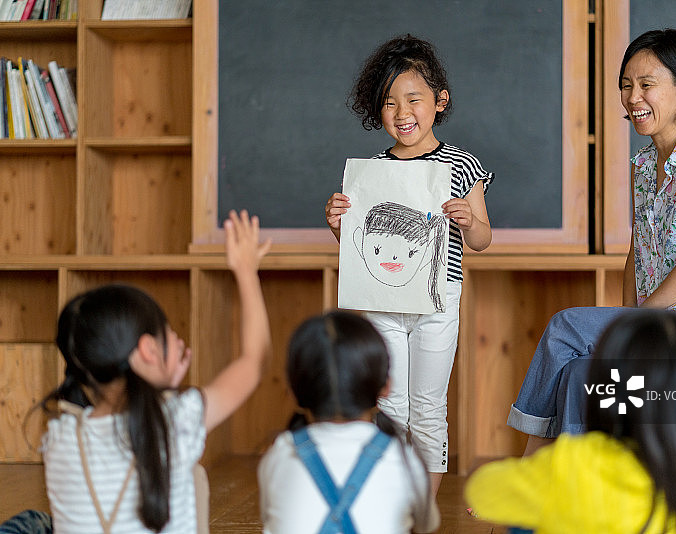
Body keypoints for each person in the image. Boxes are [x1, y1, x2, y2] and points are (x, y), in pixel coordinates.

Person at [507, 28, 676, 455]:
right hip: (664, 328)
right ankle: (577, 493)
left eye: (646, 85)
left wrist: (632, 323)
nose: (633, 98)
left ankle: (529, 472)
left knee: (564, 327)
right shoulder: (644, 165)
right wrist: (627, 318)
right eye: (626, 86)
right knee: (578, 373)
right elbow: (639, 251)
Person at [325, 34, 493, 494]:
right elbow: (360, 244)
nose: (402, 113)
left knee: (428, 404)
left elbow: (482, 239)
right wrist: (339, 223)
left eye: (413, 99)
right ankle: (394, 501)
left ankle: (426, 505)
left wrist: (467, 218)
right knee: (391, 405)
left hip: (438, 302)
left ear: (440, 102)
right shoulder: (373, 171)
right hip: (382, 301)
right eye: (389, 103)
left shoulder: (462, 165)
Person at [37, 209, 271, 533]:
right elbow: (254, 360)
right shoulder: (178, 422)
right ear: (147, 350)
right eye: (170, 334)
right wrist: (246, 270)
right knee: (196, 477)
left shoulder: (58, 438)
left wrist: (162, 392)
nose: (177, 340)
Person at [466, 310, 676, 533]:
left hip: (564, 485)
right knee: (575, 369)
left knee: (528, 513)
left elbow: (482, 492)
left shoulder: (572, 462)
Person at [258, 311, 440, 534]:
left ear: (294, 392)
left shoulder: (280, 453)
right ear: (386, 386)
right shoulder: (405, 460)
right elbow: (425, 526)